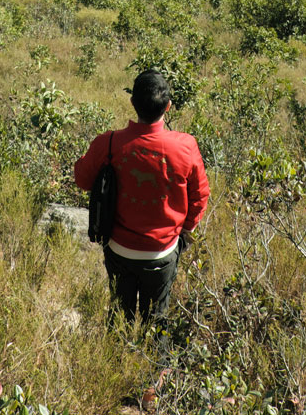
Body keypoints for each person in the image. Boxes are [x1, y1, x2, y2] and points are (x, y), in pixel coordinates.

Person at [71, 69, 208, 324]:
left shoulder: (108, 143)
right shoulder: (186, 146)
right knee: (157, 322)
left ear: (132, 103)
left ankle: (116, 358)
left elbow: (82, 179)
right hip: (163, 252)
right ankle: (159, 364)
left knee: (120, 316)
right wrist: (184, 230)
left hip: (118, 249)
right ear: (168, 106)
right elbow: (200, 196)